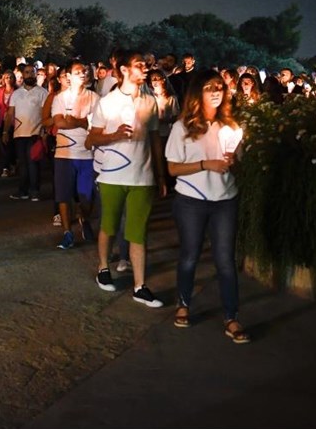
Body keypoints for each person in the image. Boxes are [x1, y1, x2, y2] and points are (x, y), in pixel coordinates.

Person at [165, 70, 249, 343]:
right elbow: (173, 168)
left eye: (219, 87)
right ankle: (183, 303)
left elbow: (238, 163)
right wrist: (205, 164)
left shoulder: (230, 126)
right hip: (191, 200)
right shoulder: (183, 127)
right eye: (209, 87)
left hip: (225, 199)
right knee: (190, 256)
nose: (215, 92)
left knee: (225, 261)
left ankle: (231, 317)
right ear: (197, 92)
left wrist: (233, 161)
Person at [86, 50, 167, 308]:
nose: (145, 68)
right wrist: (114, 135)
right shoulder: (107, 102)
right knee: (109, 226)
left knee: (138, 232)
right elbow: (91, 139)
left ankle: (140, 286)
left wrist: (161, 174)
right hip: (112, 175)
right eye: (139, 65)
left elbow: (155, 139)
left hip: (143, 176)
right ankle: (103, 268)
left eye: (145, 65)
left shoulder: (150, 101)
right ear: (123, 70)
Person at [51, 62, 99, 248]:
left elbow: (95, 125)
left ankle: (84, 218)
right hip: (64, 152)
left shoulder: (94, 98)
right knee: (63, 195)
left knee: (87, 196)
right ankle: (67, 232)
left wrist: (76, 121)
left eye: (84, 71)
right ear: (68, 76)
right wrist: (83, 122)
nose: (83, 74)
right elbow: (59, 123)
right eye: (78, 71)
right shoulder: (60, 98)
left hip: (86, 153)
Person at [3, 62, 48, 201]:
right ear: (23, 75)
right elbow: (10, 113)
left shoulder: (42, 93)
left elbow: (45, 113)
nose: (30, 75)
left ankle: (34, 191)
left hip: (35, 133)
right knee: (22, 163)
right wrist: (5, 131)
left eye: (32, 72)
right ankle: (23, 190)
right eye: (27, 72)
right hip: (19, 133)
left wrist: (44, 132)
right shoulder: (17, 94)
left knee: (33, 162)